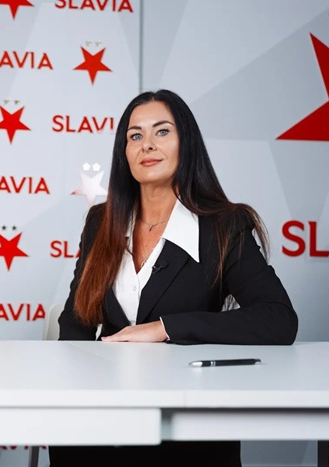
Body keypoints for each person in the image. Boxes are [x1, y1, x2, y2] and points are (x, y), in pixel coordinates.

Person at [50, 89, 298, 467]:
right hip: (103, 418)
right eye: (135, 136)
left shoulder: (224, 225)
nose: (147, 144)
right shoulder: (101, 221)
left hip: (189, 425)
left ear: (187, 143)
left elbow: (278, 319)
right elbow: (75, 322)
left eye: (162, 131)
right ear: (124, 153)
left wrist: (165, 328)